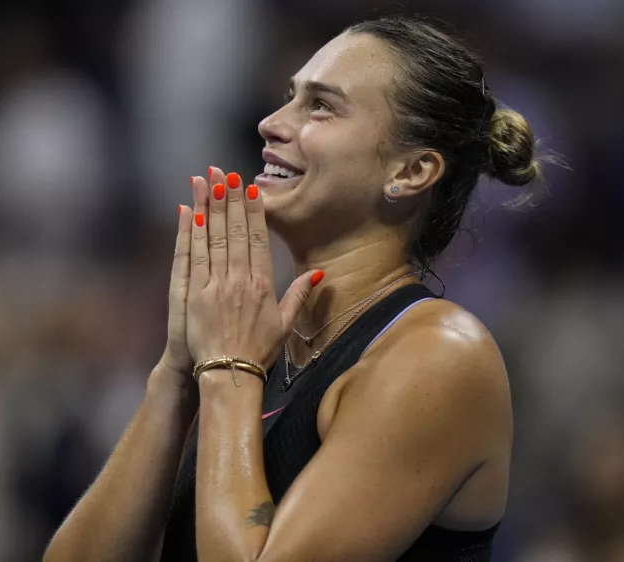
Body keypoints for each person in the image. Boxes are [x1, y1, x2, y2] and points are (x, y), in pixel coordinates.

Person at [45, 16, 543, 561]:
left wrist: (230, 371)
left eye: (321, 106)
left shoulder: (439, 356)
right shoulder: (254, 343)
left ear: (411, 170)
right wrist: (176, 374)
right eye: (288, 96)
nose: (271, 123)